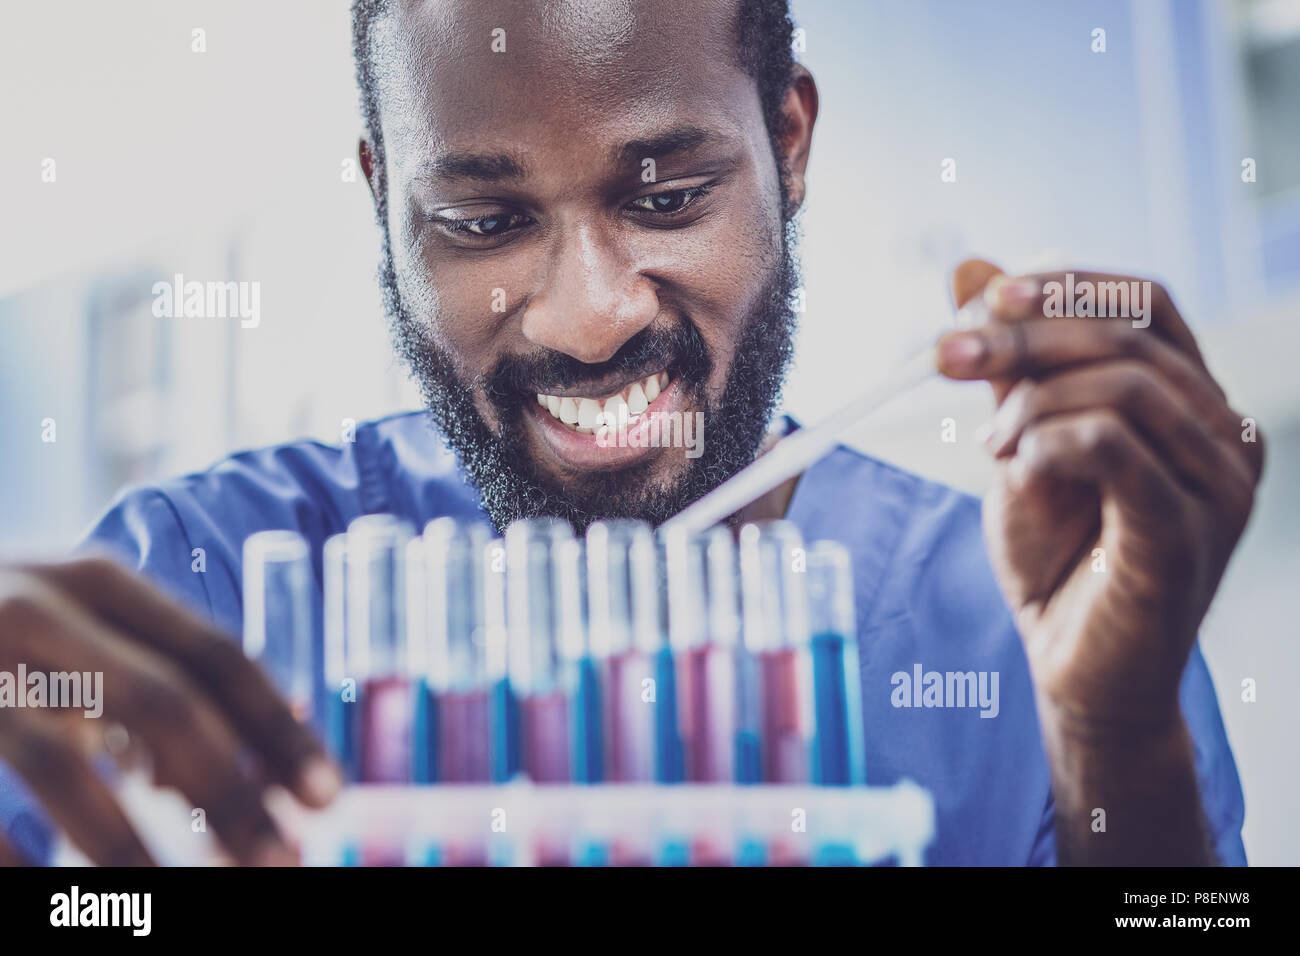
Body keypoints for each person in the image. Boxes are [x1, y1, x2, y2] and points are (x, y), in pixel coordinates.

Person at [0, 0, 1261, 866]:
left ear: (787, 140)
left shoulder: (1031, 622)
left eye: (664, 197)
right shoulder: (199, 577)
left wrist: (1113, 736)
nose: (590, 316)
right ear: (387, 200)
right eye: (485, 222)